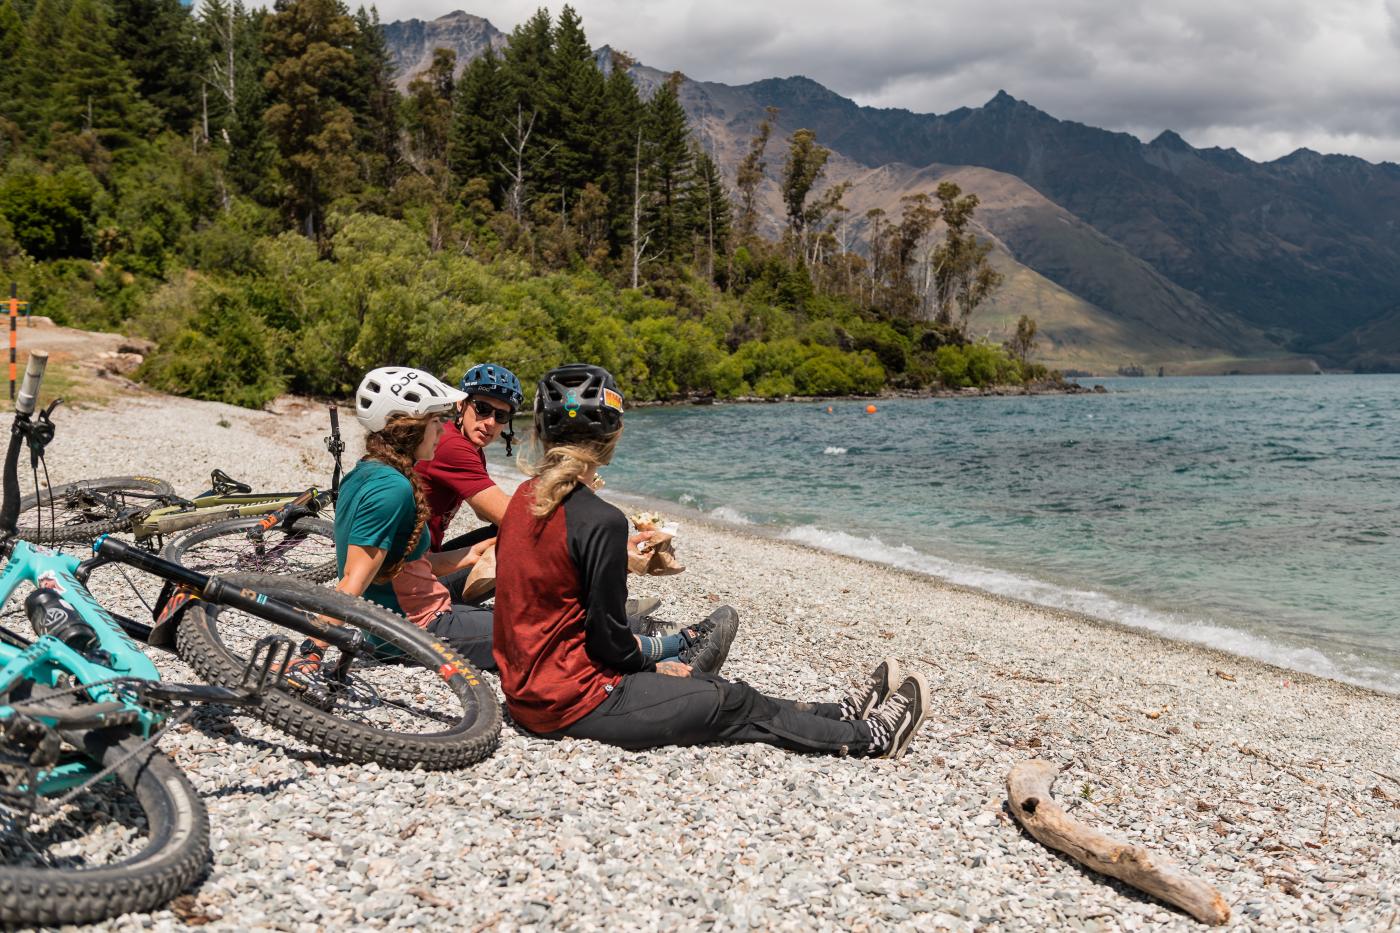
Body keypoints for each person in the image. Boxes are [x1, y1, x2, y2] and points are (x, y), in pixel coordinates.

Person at [492, 363, 931, 758]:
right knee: (732, 701)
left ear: (541, 431)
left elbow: (560, 590)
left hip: (531, 690)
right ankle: (871, 738)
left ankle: (840, 712)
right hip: (572, 703)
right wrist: (652, 663)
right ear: (612, 435)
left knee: (712, 687)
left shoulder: (524, 500)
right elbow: (609, 640)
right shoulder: (602, 520)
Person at [417, 362, 730, 671]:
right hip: (417, 578)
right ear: (460, 404)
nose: (489, 422)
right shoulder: (452, 446)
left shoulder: (464, 445)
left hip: (424, 562)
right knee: (517, 537)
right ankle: (612, 619)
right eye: (482, 409)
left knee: (505, 535)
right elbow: (513, 517)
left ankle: (596, 607)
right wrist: (595, 537)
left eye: (501, 416)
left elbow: (506, 515)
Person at [293, 367, 498, 679]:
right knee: (541, 634)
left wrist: (472, 554)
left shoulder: (368, 471)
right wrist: (313, 648)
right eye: (435, 422)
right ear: (410, 428)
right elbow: (353, 579)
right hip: (413, 632)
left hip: (418, 615)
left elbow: (406, 565)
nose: (442, 431)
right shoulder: (392, 488)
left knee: (513, 619)